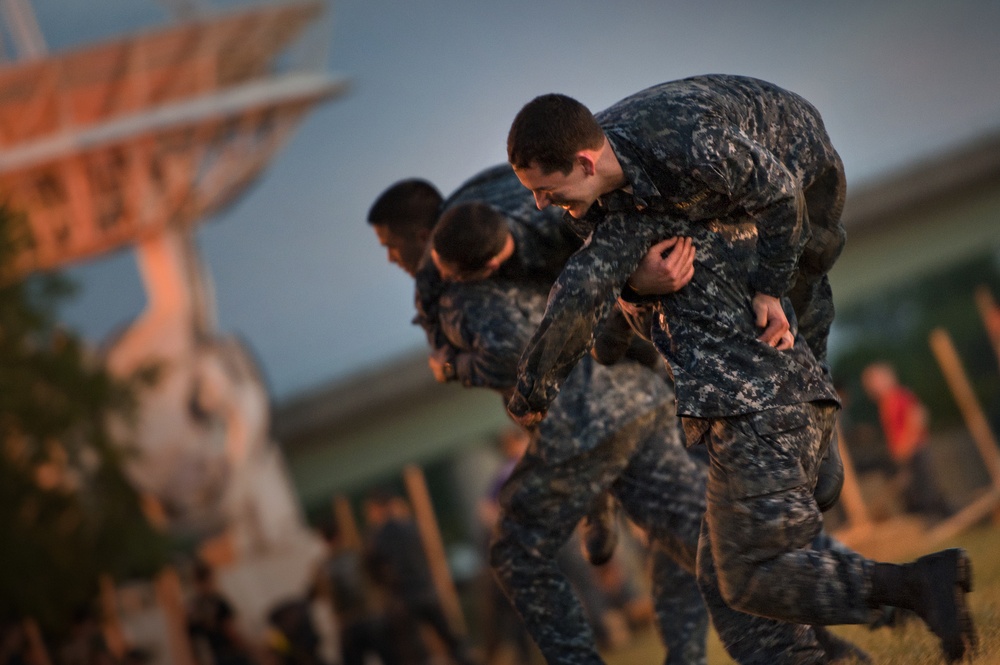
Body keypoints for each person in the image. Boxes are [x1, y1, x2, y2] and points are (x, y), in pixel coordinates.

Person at [501, 74, 977, 663]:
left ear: (583, 160)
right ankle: (835, 636)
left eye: (546, 189)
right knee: (723, 578)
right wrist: (634, 286)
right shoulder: (607, 206)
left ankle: (910, 584)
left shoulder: (690, 146)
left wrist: (771, 288)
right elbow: (596, 300)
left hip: (801, 178)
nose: (539, 204)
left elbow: (782, 198)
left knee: (750, 570)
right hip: (753, 392)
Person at [430, 201, 872, 665]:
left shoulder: (466, 297)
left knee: (515, 550)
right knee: (710, 546)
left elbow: (505, 353)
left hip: (587, 422)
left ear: (478, 268)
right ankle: (828, 640)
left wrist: (451, 364)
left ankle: (838, 617)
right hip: (641, 399)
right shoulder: (557, 220)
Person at [362, 492, 477, 665]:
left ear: (378, 509)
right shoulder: (412, 527)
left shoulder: (377, 537)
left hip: (403, 599)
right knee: (452, 639)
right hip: (427, 591)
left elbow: (371, 569)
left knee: (415, 652)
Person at [861, 361, 954, 520]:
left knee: (925, 488)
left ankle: (942, 517)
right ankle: (926, 519)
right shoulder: (885, 404)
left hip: (915, 450)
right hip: (904, 454)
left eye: (875, 381)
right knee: (911, 492)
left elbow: (918, 415)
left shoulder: (899, 396)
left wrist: (907, 444)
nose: (873, 386)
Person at [312, 520, 399, 665]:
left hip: (348, 625)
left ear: (323, 539)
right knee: (391, 659)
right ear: (341, 534)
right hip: (372, 616)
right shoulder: (359, 554)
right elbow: (383, 576)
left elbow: (319, 595)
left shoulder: (321, 567)